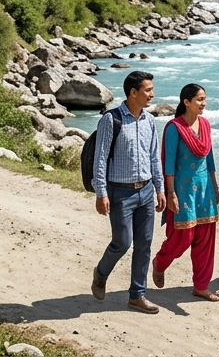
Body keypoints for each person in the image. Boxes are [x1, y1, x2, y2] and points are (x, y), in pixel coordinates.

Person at [91, 71, 166, 314]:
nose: (152, 94)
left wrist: (160, 188)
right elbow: (100, 158)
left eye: (151, 90)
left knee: (144, 244)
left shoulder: (149, 121)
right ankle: (101, 273)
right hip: (119, 193)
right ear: (133, 92)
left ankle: (137, 295)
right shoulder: (111, 119)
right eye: (147, 90)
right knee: (122, 242)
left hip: (145, 192)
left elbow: (154, 157)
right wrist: (101, 192)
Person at [152, 83, 219, 302]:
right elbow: (168, 164)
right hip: (182, 189)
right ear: (186, 102)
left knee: (206, 238)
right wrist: (170, 193)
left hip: (204, 189)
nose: (204, 103)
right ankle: (160, 262)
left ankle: (201, 286)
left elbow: (209, 159)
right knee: (183, 236)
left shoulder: (206, 125)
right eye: (199, 99)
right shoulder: (174, 128)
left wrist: (215, 186)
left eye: (204, 99)